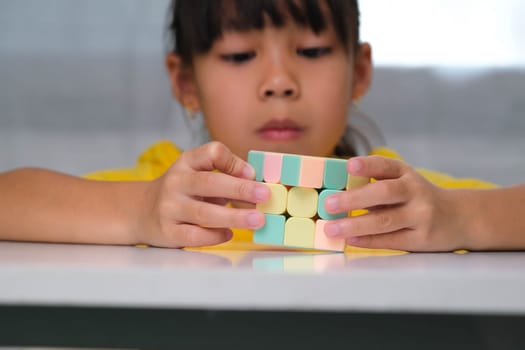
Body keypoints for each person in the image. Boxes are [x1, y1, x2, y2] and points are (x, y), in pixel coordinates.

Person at [0, 0, 524, 252]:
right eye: (240, 55)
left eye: (313, 51)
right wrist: (138, 211)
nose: (279, 82)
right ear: (185, 81)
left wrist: (464, 218)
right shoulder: (162, 191)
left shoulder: (397, 202)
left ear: (359, 71)